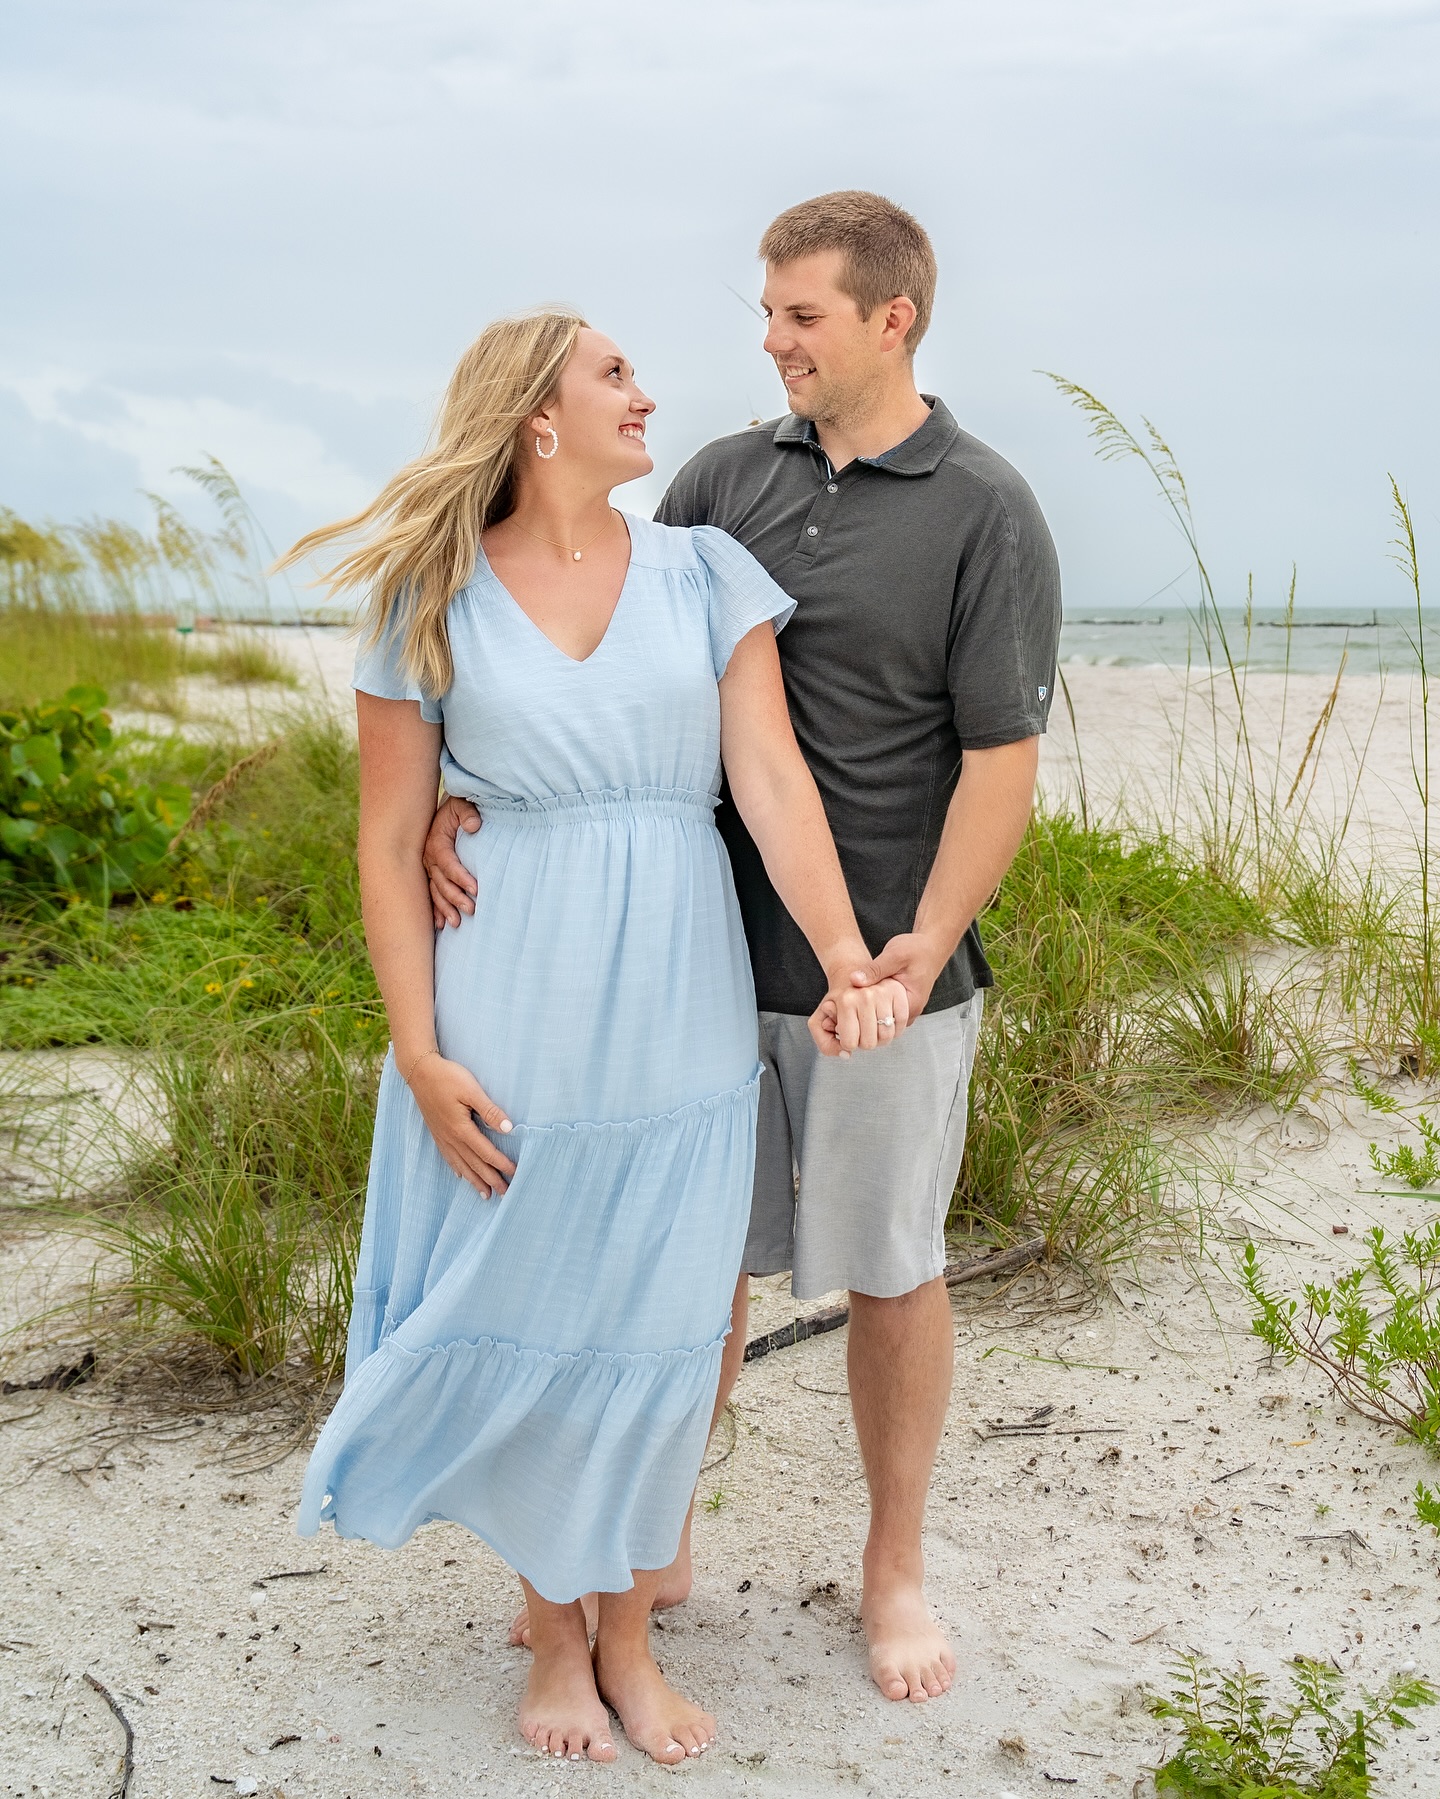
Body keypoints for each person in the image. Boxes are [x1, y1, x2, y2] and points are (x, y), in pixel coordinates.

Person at [424, 192, 1063, 1706]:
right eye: (767, 313)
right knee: (681, 1267)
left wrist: (917, 951)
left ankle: (892, 1566)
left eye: (802, 317)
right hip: (698, 958)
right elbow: (597, 628)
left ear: (892, 320)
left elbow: (1003, 761)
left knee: (890, 1269)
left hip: (890, 968)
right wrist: (469, 787)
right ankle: (658, 1542)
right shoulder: (717, 479)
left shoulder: (986, 506)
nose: (770, 341)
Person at [283, 309, 907, 1766]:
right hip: (511, 990)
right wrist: (419, 1052)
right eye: (615, 374)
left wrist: (840, 956)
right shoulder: (426, 595)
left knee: (668, 1319)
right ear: (536, 420)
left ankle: (628, 1635)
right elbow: (387, 845)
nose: (648, 394)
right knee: (544, 1299)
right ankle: (555, 1638)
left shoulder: (703, 572)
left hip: (676, 988)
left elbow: (768, 778)